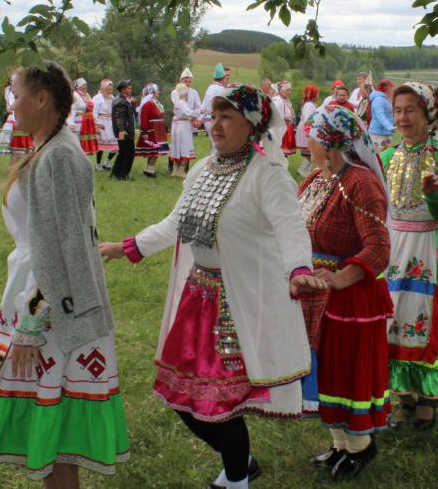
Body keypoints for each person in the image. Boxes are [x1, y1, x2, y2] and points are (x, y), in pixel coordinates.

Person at [101, 84, 321, 489]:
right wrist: (127, 247)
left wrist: (298, 269)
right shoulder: (203, 169)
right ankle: (241, 462)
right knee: (181, 397)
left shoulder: (267, 176)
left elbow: (291, 230)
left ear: (251, 125)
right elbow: (174, 225)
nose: (216, 124)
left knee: (222, 403)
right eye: (214, 115)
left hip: (237, 303)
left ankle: (236, 478)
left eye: (227, 116)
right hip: (198, 297)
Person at [0, 62, 130, 485]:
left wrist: (33, 321)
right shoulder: (48, 150)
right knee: (48, 432)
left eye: (17, 94)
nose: (12, 103)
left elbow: (67, 251)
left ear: (42, 99)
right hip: (39, 294)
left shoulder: (59, 158)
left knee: (55, 433)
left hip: (53, 309)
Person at [298, 106, 392, 480]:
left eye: (312, 135)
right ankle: (339, 442)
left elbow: (379, 247)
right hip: (319, 294)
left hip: (351, 299)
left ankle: (360, 446)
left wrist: (341, 277)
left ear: (330, 142)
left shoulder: (360, 183)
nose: (307, 142)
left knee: (347, 371)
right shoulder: (316, 179)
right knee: (326, 373)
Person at [381, 83, 438, 425]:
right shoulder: (386, 158)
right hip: (395, 253)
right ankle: (403, 396)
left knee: (429, 321)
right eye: (399, 110)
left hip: (432, 253)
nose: (403, 117)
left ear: (429, 114)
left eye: (411, 110)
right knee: (394, 321)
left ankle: (427, 401)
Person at [0, 76, 35, 162]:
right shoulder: (11, 92)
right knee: (17, 148)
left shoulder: (16, 92)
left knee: (20, 148)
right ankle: (16, 170)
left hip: (18, 121)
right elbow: (11, 107)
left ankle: (17, 170)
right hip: (15, 121)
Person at [135, 83, 168, 177]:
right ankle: (150, 171)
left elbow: (161, 116)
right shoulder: (147, 104)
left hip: (158, 130)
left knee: (155, 152)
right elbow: (143, 119)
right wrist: (144, 131)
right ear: (152, 91)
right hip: (152, 131)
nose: (159, 92)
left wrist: (164, 127)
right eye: (157, 90)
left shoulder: (157, 103)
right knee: (154, 152)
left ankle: (148, 169)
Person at [169, 82, 197, 178]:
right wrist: (201, 111)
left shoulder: (177, 102)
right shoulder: (182, 102)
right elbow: (189, 112)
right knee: (186, 147)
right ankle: (181, 170)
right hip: (183, 126)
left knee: (177, 148)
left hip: (177, 126)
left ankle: (175, 170)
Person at [111, 80, 137, 181]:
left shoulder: (122, 99)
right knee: (129, 153)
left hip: (125, 130)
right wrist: (121, 130)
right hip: (125, 131)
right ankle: (123, 175)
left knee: (123, 152)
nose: (130, 89)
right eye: (128, 88)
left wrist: (133, 104)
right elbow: (120, 117)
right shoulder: (121, 101)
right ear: (122, 89)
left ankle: (116, 173)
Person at [201, 64, 229, 150]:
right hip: (215, 120)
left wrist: (201, 118)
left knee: (214, 145)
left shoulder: (210, 87)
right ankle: (215, 163)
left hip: (207, 120)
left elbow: (202, 106)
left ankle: (212, 161)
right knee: (218, 146)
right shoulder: (221, 89)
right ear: (223, 78)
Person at [90, 79, 116, 170]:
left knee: (116, 146)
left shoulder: (112, 97)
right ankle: (98, 164)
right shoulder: (98, 97)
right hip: (102, 122)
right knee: (101, 145)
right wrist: (98, 123)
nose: (111, 88)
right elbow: (94, 112)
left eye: (112, 86)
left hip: (111, 123)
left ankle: (107, 163)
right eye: (109, 86)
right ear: (104, 87)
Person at [296, 85, 320, 177]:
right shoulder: (309, 105)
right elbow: (308, 119)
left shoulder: (310, 104)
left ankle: (304, 170)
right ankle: (303, 170)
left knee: (311, 152)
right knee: (311, 151)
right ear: (314, 95)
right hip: (308, 130)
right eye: (317, 94)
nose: (318, 96)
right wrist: (310, 132)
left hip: (309, 129)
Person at [70, 78, 99, 157]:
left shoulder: (86, 94)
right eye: (83, 85)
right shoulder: (75, 95)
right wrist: (71, 124)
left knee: (83, 144)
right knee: (77, 143)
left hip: (87, 122)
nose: (85, 86)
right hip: (78, 122)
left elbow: (92, 109)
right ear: (78, 86)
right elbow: (72, 110)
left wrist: (97, 122)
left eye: (86, 85)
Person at [368, 80, 394, 150]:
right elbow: (380, 116)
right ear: (387, 89)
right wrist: (390, 127)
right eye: (391, 89)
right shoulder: (378, 100)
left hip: (386, 133)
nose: (392, 91)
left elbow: (390, 115)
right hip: (378, 134)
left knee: (387, 156)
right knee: (379, 157)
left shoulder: (386, 99)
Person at [274, 81, 297, 157]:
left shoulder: (285, 100)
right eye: (287, 90)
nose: (289, 92)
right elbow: (277, 118)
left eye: (290, 90)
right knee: (279, 154)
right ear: (281, 90)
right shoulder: (277, 100)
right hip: (281, 129)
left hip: (287, 128)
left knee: (283, 155)